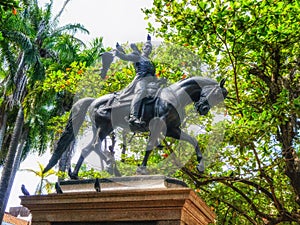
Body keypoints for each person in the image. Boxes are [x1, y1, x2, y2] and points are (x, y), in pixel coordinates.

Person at [113, 35, 156, 129]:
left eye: (150, 48)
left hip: (152, 83)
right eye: (147, 47)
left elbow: (153, 75)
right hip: (141, 80)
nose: (149, 49)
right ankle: (133, 116)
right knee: (141, 91)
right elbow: (125, 57)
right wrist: (118, 53)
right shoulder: (138, 57)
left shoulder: (151, 62)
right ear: (143, 48)